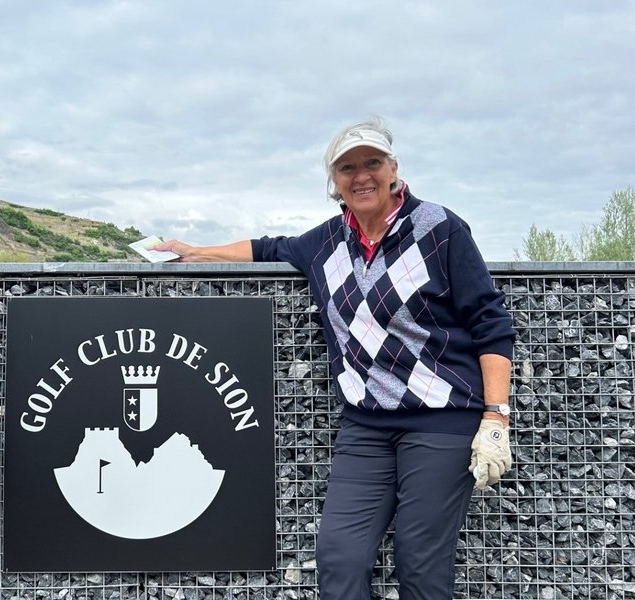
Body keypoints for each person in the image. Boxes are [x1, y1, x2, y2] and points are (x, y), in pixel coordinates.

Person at [157, 118, 515, 599]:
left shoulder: (440, 228)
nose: (361, 176)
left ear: (393, 169)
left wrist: (496, 418)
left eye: (372, 163)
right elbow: (268, 247)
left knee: (420, 561)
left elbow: (491, 323)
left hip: (441, 420)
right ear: (335, 181)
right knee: (340, 557)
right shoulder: (326, 242)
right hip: (365, 426)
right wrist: (196, 252)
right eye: (347, 168)